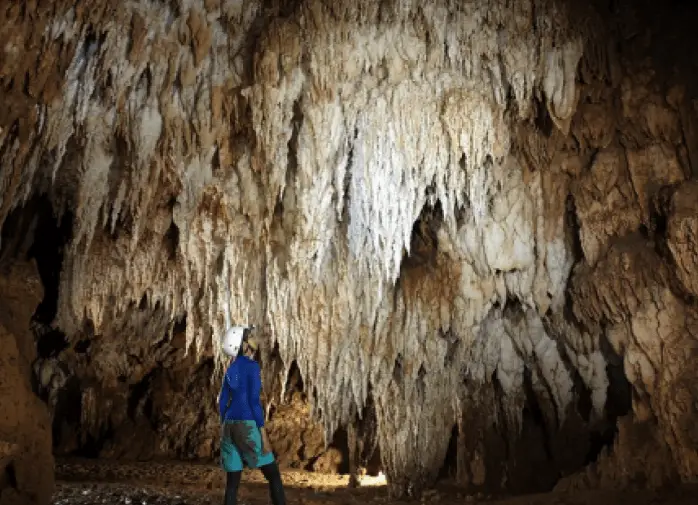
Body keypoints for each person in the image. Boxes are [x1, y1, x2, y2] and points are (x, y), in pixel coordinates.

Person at [219, 325, 286, 505]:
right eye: (248, 337)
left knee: (232, 481)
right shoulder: (251, 366)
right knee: (273, 474)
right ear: (243, 345)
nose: (253, 339)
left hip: (228, 425)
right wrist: (262, 433)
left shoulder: (230, 369)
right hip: (246, 423)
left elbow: (222, 401)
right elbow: (254, 401)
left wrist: (226, 422)